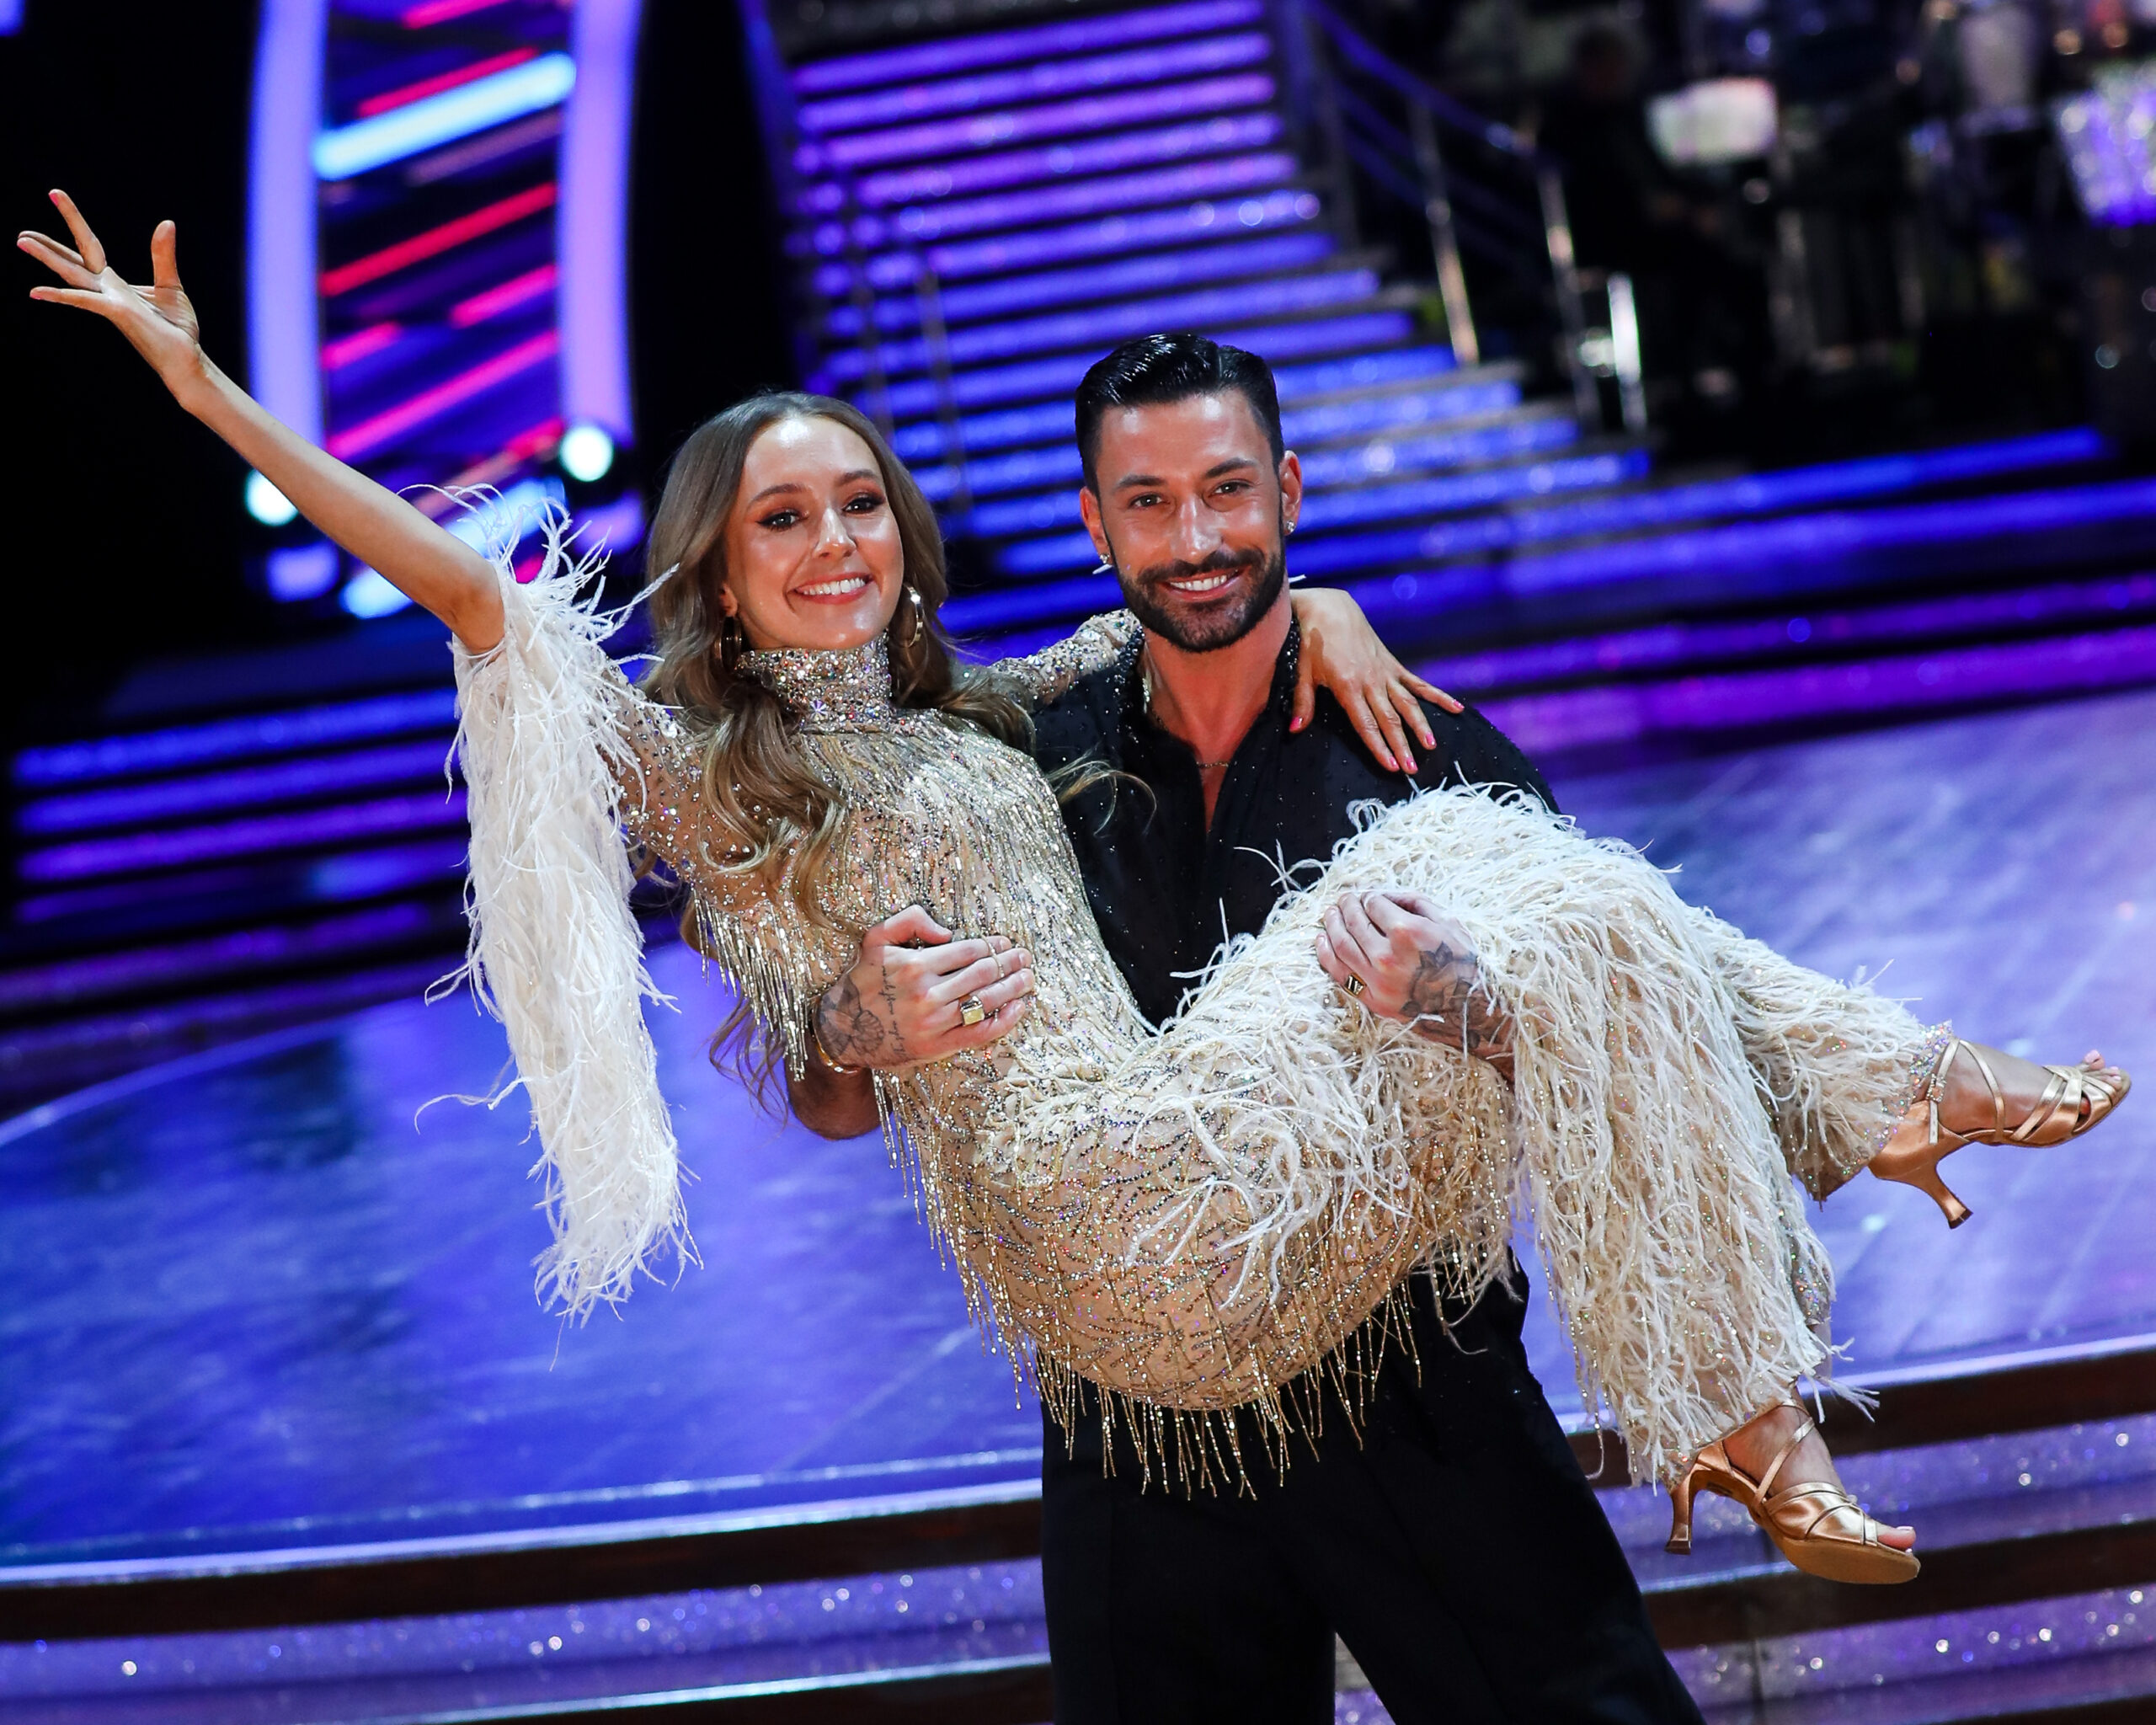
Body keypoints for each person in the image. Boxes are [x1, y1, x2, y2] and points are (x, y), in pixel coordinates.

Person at [24, 200, 2128, 1703]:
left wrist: (1326, 611)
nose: (835, 540)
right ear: (718, 570)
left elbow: (1211, 596)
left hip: (1268, 1214)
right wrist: (213, 393)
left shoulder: (995, 707)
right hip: (1120, 1236)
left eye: (859, 503)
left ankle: (1816, 1210)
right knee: (1542, 890)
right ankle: (1799, 1258)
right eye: (783, 521)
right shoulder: (713, 774)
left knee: (1538, 899)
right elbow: (490, 610)